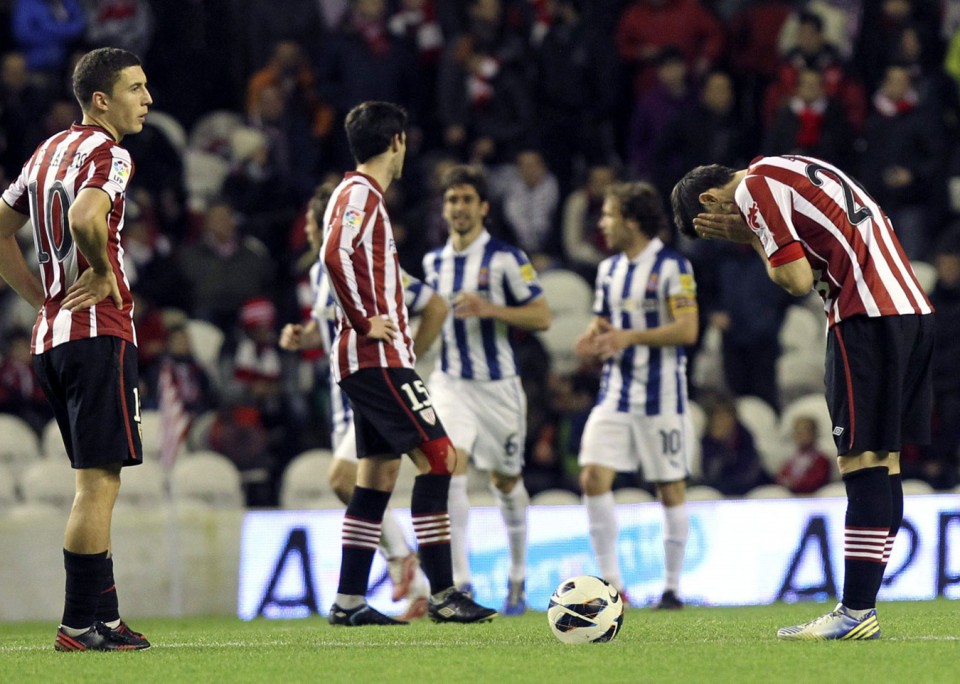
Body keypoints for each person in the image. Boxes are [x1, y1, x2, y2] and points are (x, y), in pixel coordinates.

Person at [671, 154, 934, 640]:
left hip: (865, 315)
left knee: (861, 463)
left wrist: (748, 235)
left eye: (710, 228)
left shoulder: (752, 189)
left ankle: (855, 611)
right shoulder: (786, 163)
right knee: (884, 461)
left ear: (710, 200)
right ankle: (862, 607)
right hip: (910, 309)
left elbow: (792, 279)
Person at [320, 100, 496, 625]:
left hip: (371, 358)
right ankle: (444, 593)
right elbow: (334, 253)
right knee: (440, 458)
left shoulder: (358, 194)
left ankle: (349, 601)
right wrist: (361, 319)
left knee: (377, 474)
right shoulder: (359, 194)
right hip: (376, 357)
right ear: (397, 141)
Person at [0, 47, 153, 651]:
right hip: (97, 333)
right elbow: (90, 215)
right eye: (136, 89)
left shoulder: (44, 153)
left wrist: (41, 296)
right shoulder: (109, 152)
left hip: (53, 340)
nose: (147, 99)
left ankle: (105, 618)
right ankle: (78, 624)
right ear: (101, 100)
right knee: (97, 483)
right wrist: (101, 270)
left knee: (96, 478)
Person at [280, 180, 449, 621]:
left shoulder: (363, 264)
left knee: (348, 477)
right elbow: (332, 322)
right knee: (372, 480)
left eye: (316, 222)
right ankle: (376, 592)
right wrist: (304, 336)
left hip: (375, 381)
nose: (312, 230)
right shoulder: (319, 272)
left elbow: (432, 304)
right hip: (351, 391)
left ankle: (404, 564)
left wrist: (413, 357)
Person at [421, 164, 551, 615]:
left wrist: (490, 308)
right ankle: (460, 583)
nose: (458, 208)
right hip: (450, 381)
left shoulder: (506, 259)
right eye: (452, 200)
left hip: (498, 388)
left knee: (504, 480)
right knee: (448, 465)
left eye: (466, 200)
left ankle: (517, 578)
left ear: (483, 207)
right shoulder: (432, 262)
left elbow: (542, 316)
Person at [574, 181, 699, 611]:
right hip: (615, 394)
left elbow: (687, 330)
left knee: (670, 488)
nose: (602, 224)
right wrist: (591, 340)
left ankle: (671, 589)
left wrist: (630, 337)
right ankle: (613, 586)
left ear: (631, 221)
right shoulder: (609, 270)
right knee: (592, 476)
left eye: (608, 215)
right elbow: (602, 322)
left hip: (662, 398)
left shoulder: (672, 267)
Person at [776, 414, 832, 494]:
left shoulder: (821, 459)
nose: (799, 436)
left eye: (803, 433)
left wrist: (796, 484)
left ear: (814, 434)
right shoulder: (792, 459)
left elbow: (816, 481)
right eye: (797, 433)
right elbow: (781, 476)